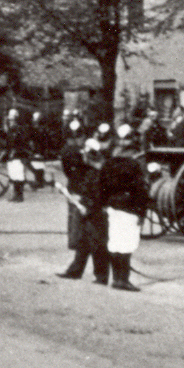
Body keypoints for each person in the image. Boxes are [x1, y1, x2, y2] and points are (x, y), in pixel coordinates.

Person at [94, 124, 151, 291]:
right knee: (127, 243)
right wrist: (142, 211)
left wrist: (104, 204)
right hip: (130, 207)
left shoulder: (110, 161)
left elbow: (101, 185)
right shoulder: (136, 162)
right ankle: (123, 279)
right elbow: (141, 189)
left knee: (115, 242)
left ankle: (116, 278)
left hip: (113, 206)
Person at [56, 121, 110, 284]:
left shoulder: (97, 172)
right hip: (83, 200)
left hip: (92, 205)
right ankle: (77, 270)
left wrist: (85, 203)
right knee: (83, 237)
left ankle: (100, 275)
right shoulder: (78, 159)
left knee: (96, 240)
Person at [59, 120, 87, 251]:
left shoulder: (65, 150)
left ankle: (72, 240)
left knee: (72, 212)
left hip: (72, 183)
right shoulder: (80, 151)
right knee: (78, 212)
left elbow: (66, 170)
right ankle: (76, 240)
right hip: (80, 183)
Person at [2, 109, 33, 203]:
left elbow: (20, 142)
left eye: (12, 120)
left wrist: (15, 150)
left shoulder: (19, 129)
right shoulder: (11, 129)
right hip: (12, 155)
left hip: (18, 154)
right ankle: (16, 195)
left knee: (18, 175)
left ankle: (19, 196)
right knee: (13, 175)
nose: (10, 121)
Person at [27, 111, 49, 189]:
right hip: (35, 148)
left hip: (39, 149)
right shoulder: (34, 128)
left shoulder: (41, 129)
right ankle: (39, 179)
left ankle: (39, 181)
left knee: (38, 164)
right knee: (35, 164)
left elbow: (43, 140)